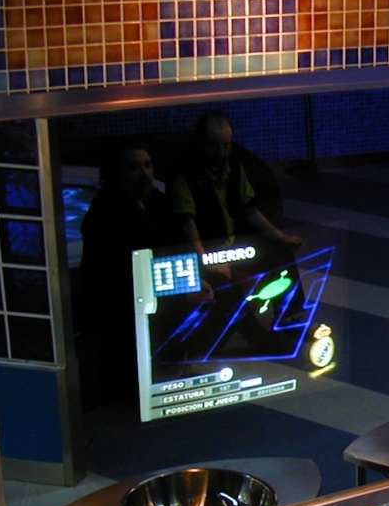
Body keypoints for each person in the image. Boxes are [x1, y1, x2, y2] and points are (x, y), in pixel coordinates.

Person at [166, 111, 306, 353]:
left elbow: (249, 209)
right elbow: (186, 222)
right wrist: (205, 260)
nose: (222, 152)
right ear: (201, 142)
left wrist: (281, 238)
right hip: (202, 253)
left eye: (227, 145)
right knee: (229, 294)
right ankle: (259, 340)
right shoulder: (184, 172)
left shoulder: (234, 165)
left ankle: (289, 316)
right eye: (216, 145)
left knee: (280, 253)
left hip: (232, 247)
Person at [76, 137, 176, 407]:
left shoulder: (156, 202)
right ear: (117, 172)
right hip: (121, 304)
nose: (144, 172)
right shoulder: (107, 211)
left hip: (157, 294)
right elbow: (115, 271)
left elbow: (172, 245)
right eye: (134, 167)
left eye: (147, 165)